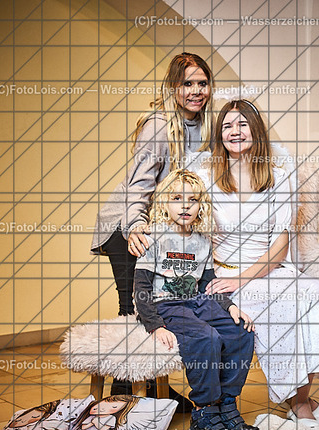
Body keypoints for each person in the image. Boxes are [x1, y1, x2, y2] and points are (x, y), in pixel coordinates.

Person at [190, 99, 319, 429]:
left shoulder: (278, 177)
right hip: (224, 274)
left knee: (315, 292)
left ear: (256, 131)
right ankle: (299, 403)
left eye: (242, 124)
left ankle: (302, 398)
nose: (235, 131)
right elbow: (190, 231)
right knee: (281, 305)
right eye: (227, 126)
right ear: (219, 135)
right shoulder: (203, 178)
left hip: (267, 269)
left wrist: (244, 278)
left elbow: (280, 246)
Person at [89, 52, 213, 404]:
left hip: (159, 226)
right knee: (136, 311)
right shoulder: (159, 125)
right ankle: (127, 396)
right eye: (187, 83)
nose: (196, 91)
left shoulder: (205, 126)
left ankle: (156, 391)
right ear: (173, 87)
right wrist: (135, 227)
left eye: (202, 83)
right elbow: (139, 183)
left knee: (160, 305)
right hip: (128, 224)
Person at [133, 170, 257, 430]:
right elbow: (141, 287)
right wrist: (155, 325)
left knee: (241, 332)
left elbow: (208, 282)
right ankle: (204, 411)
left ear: (201, 205)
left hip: (197, 300)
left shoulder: (202, 240)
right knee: (206, 337)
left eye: (193, 199)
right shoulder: (153, 237)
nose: (185, 205)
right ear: (164, 203)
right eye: (177, 198)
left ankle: (226, 403)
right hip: (165, 304)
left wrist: (230, 306)